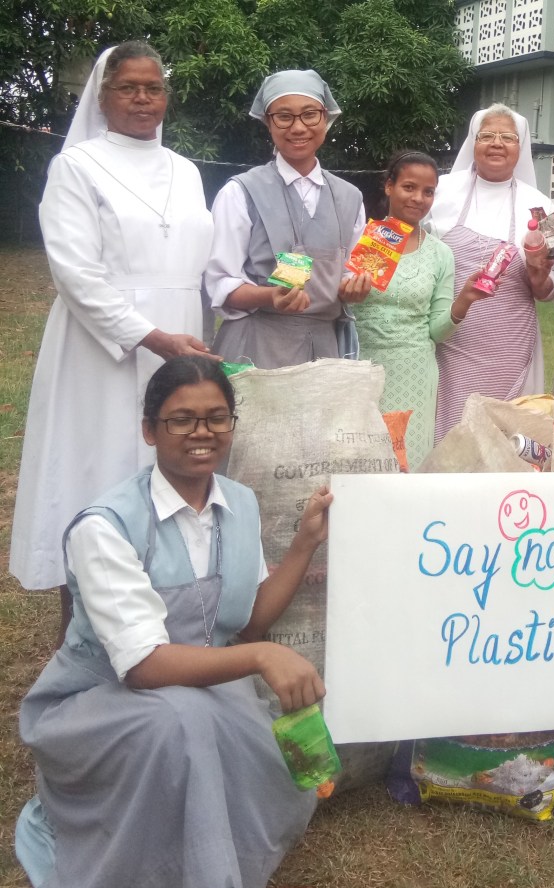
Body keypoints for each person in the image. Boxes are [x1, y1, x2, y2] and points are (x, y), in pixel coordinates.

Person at [2, 357, 332, 888]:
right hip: (97, 701)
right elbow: (144, 667)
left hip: (198, 693)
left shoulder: (240, 503)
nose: (202, 432)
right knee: (181, 725)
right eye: (181, 419)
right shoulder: (105, 526)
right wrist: (262, 657)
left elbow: (249, 622)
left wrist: (304, 544)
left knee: (274, 764)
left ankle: (217, 883)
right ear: (149, 430)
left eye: (217, 417)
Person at [9, 42, 215, 621]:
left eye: (154, 88)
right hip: (101, 347)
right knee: (95, 468)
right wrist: (151, 337)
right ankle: (82, 621)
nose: (143, 99)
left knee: (167, 467)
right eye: (129, 88)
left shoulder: (186, 170)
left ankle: (165, 610)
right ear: (103, 98)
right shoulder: (76, 166)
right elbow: (75, 273)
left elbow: (197, 261)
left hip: (179, 334)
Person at [205, 69, 371, 369]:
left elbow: (349, 272)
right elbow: (221, 283)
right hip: (255, 348)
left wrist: (353, 287)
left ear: (325, 118)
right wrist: (271, 296)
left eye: (309, 115)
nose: (298, 127)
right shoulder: (241, 192)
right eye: (284, 117)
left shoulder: (350, 198)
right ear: (268, 122)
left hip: (324, 353)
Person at [426, 104, 554, 438]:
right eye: (487, 135)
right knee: (448, 432)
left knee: (503, 437)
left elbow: (547, 292)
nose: (497, 143)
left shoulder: (542, 207)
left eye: (507, 137)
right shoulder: (439, 191)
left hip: (510, 344)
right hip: (449, 337)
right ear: (473, 142)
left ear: (520, 147)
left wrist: (539, 274)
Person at [354, 151, 486, 469]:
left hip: (413, 372)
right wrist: (347, 294)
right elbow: (339, 305)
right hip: (360, 367)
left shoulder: (440, 253)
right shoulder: (364, 239)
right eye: (409, 187)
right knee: (357, 460)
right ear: (389, 186)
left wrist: (465, 300)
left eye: (428, 192)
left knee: (406, 462)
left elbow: (436, 332)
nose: (418, 198)